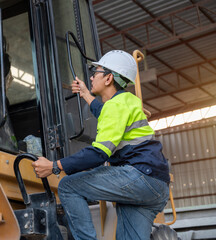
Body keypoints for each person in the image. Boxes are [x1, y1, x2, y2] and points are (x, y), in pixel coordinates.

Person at [32, 50, 170, 240]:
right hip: (156, 184)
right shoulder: (128, 101)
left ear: (108, 78)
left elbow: (99, 154)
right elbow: (105, 112)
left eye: (96, 72)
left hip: (138, 176)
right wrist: (86, 94)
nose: (91, 76)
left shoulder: (116, 106)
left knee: (68, 186)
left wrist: (54, 166)